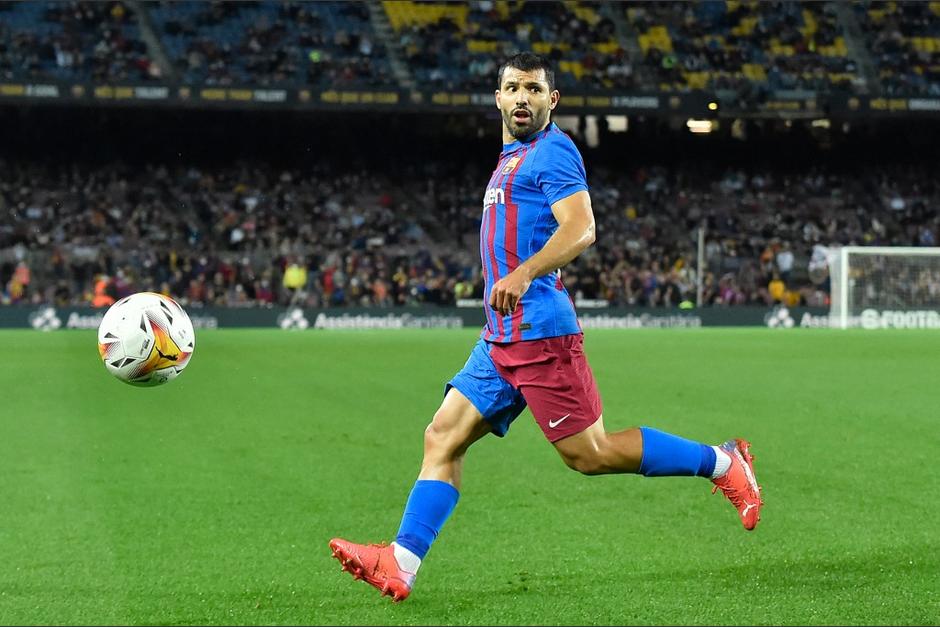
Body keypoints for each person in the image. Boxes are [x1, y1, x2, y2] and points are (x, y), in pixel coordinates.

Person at [328, 53, 763, 603]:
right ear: (498, 98)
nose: (522, 98)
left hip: (539, 333)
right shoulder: (511, 156)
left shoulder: (553, 151)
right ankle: (402, 562)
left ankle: (723, 462)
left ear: (551, 100)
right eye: (512, 88)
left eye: (533, 89)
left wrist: (525, 272)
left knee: (591, 455)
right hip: (499, 337)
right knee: (442, 436)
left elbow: (582, 228)